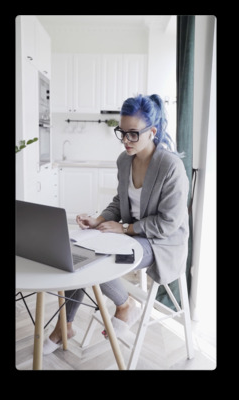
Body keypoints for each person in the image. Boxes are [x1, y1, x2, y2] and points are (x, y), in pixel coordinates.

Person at [43, 94, 189, 354]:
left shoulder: (170, 167)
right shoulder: (125, 160)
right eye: (121, 132)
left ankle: (125, 305)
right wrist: (99, 219)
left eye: (133, 134)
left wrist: (124, 229)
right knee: (76, 252)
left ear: (152, 132)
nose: (125, 140)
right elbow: (120, 202)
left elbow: (168, 223)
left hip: (162, 243)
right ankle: (65, 325)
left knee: (96, 260)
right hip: (131, 236)